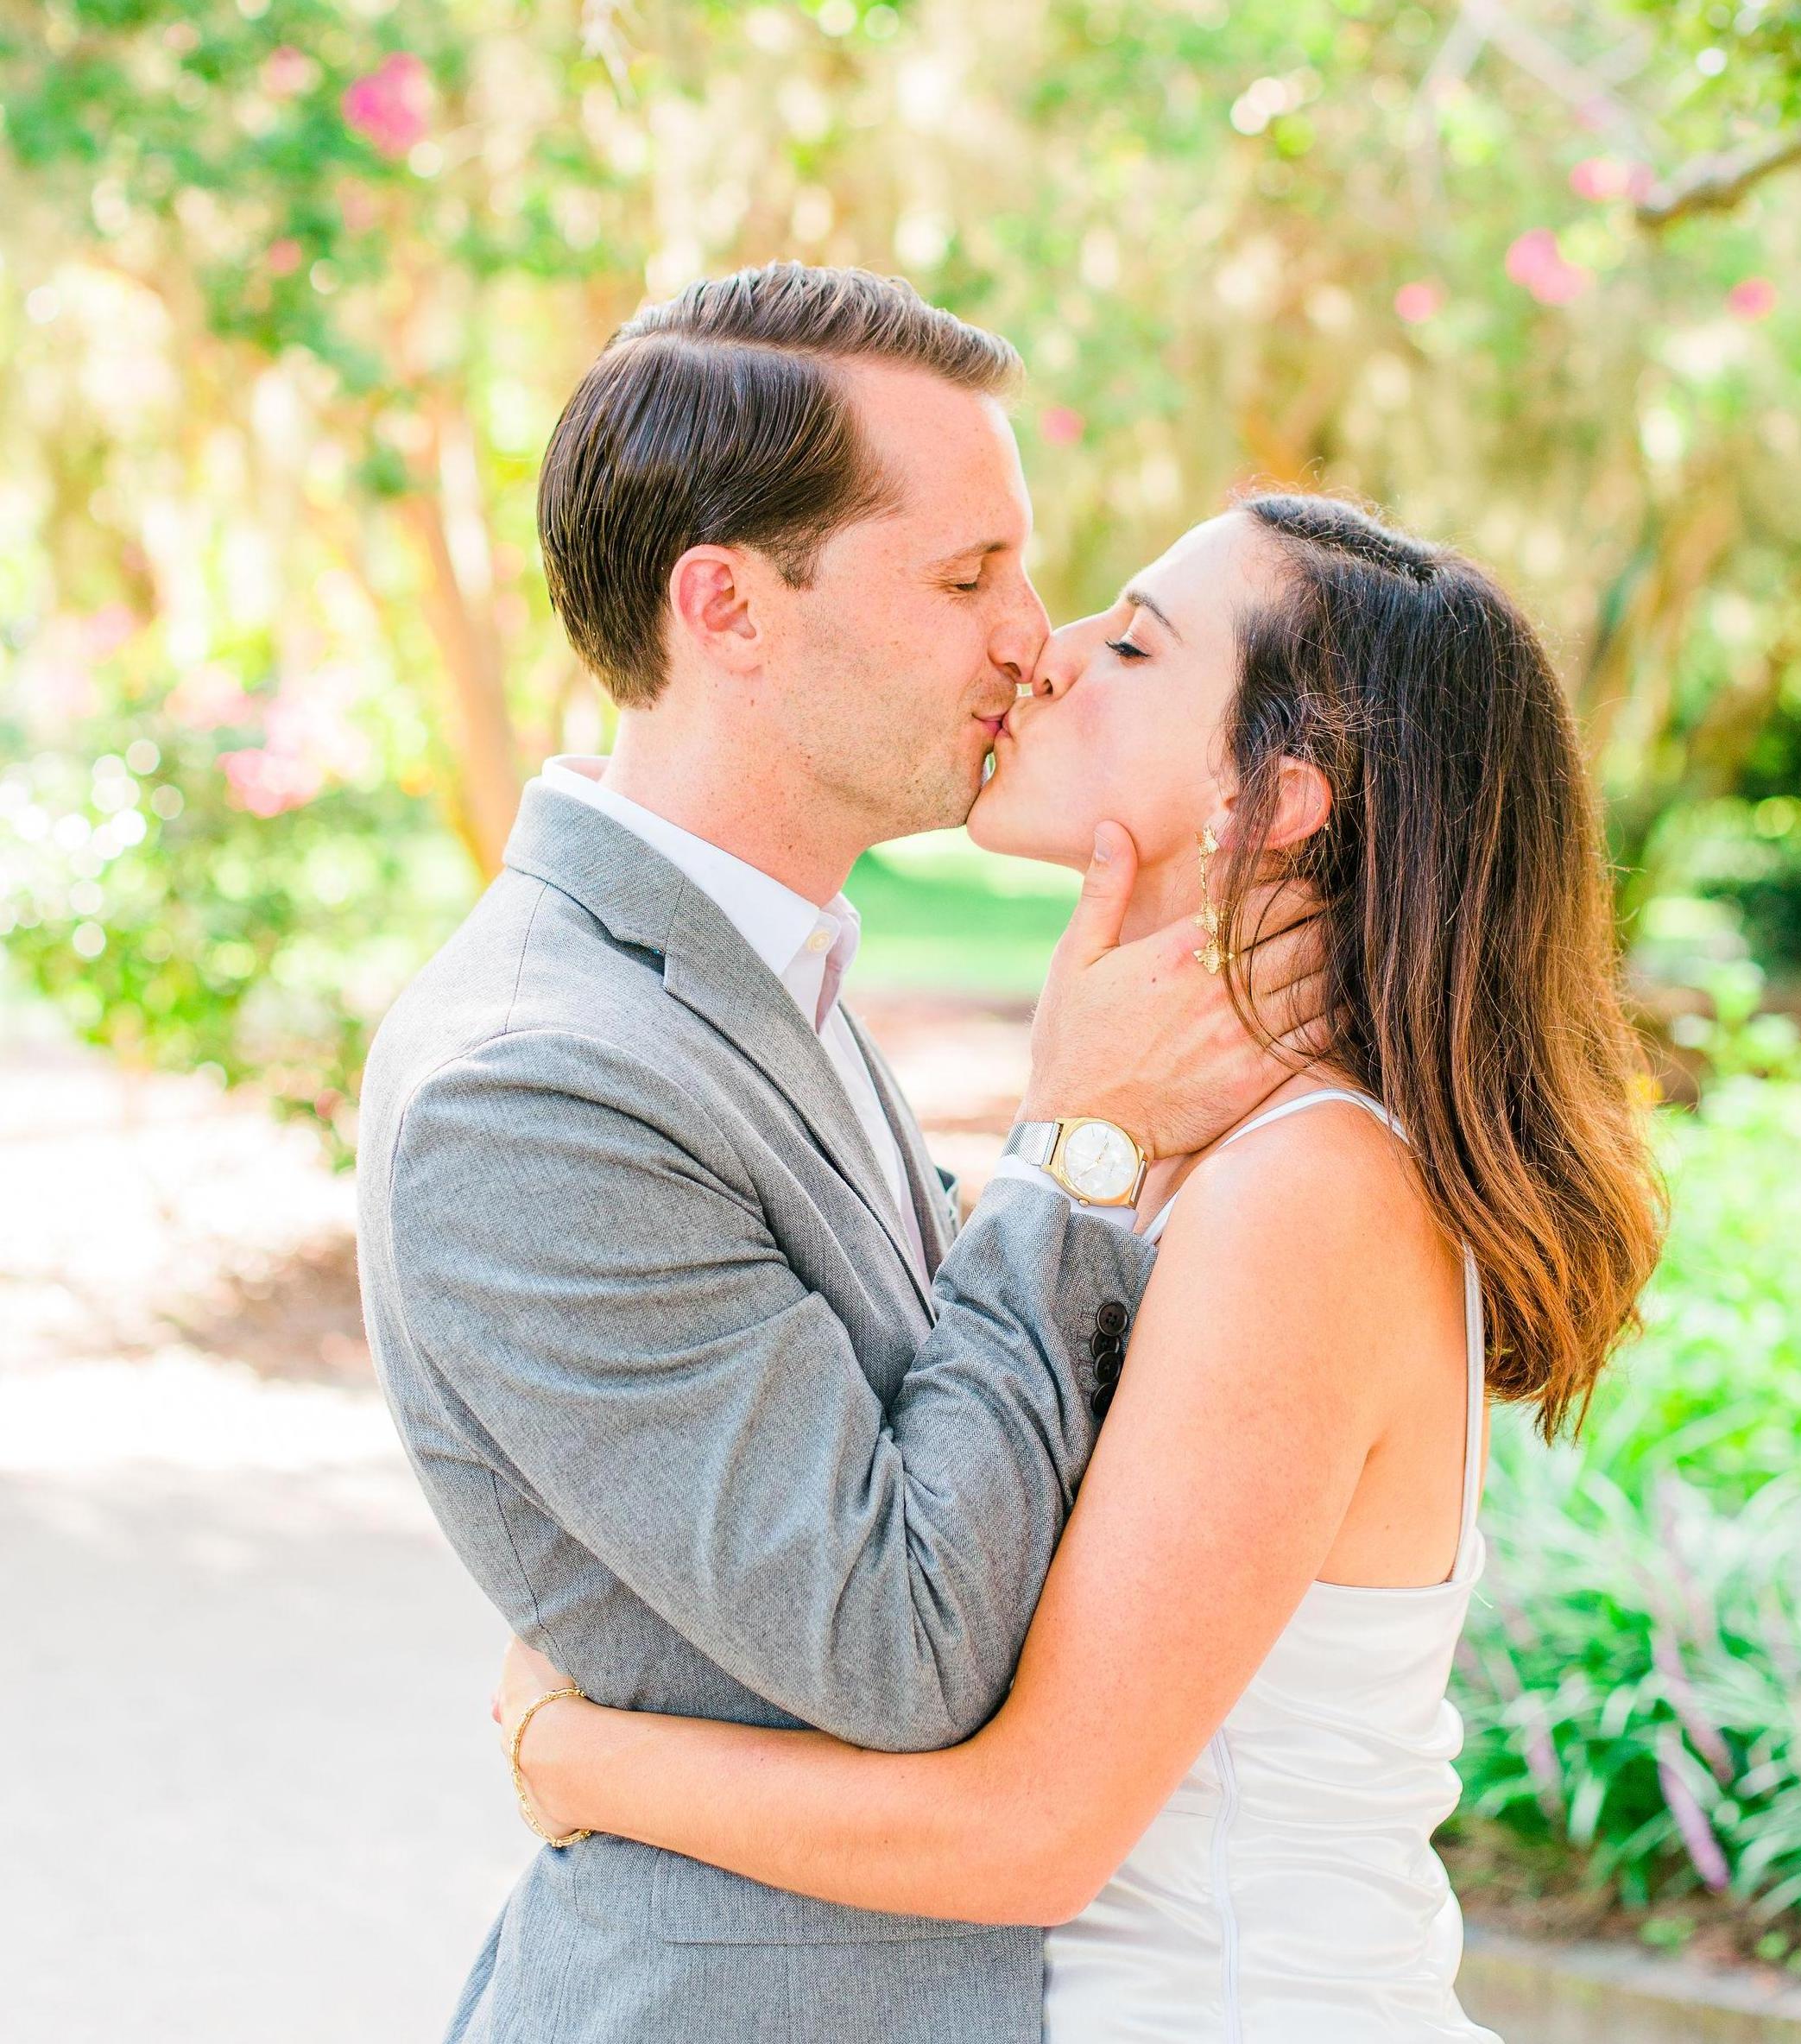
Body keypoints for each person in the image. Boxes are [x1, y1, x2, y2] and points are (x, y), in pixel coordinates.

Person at [488, 491, 1667, 2041]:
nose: (1044, 654)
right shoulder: (1168, 1139)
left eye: (1133, 643)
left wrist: (578, 1758)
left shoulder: (1308, 1195)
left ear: (1276, 799)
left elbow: (1031, 1835)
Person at [354, 264, 1318, 2044]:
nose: (1031, 637)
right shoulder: (536, 1079)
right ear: (725, 604)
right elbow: (900, 1640)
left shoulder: (763, 973)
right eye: (966, 577)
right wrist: (1072, 1148)